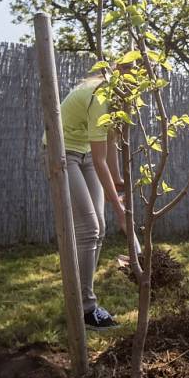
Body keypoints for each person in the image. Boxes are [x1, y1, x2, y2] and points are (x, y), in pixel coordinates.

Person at [45, 70, 127, 330]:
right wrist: (120, 210)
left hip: (86, 155)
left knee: (99, 228)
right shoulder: (100, 96)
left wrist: (118, 180)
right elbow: (100, 159)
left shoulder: (122, 101)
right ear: (118, 74)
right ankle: (85, 308)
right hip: (62, 152)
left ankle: (81, 300)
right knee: (89, 228)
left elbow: (110, 143)